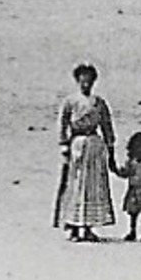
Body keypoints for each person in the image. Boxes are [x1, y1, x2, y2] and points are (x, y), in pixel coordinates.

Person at [55, 63, 117, 242]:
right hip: (77, 145)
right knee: (75, 185)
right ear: (77, 81)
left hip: (95, 146)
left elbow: (107, 126)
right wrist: (64, 145)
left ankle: (88, 227)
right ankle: (73, 227)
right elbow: (63, 123)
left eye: (89, 81)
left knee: (92, 187)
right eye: (82, 81)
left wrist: (110, 149)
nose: (86, 85)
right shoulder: (70, 101)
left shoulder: (99, 103)